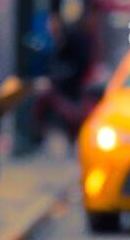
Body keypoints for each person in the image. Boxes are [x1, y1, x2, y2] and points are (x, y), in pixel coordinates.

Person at [33, 11, 93, 143]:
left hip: (74, 90)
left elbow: (80, 66)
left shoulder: (74, 40)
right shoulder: (55, 44)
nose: (52, 31)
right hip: (63, 90)